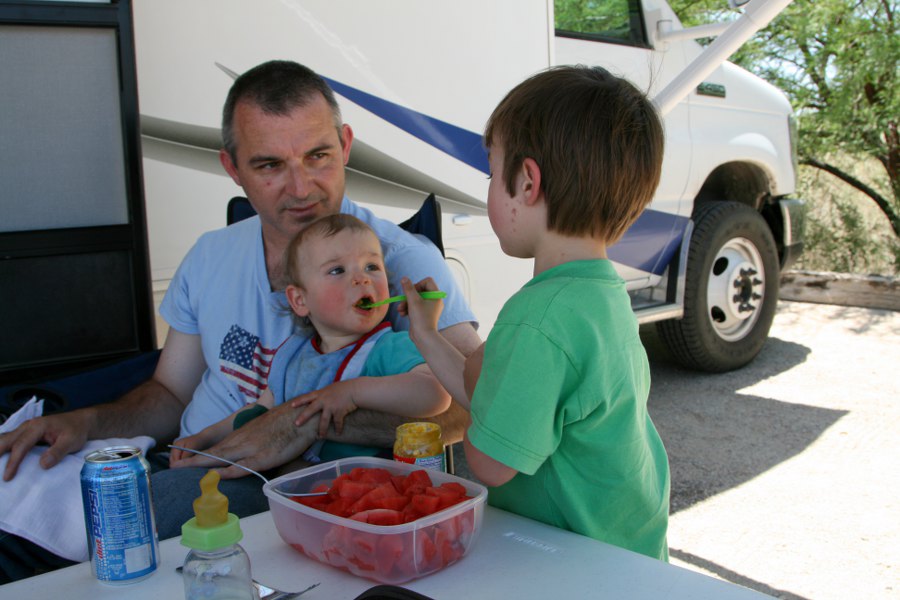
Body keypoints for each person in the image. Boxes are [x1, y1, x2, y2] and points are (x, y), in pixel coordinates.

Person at [0, 60, 479, 581]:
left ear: (345, 145)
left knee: (98, 534)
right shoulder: (211, 255)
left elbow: (474, 406)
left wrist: (289, 427)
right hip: (186, 459)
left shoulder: (399, 262)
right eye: (270, 165)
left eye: (317, 156)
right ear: (232, 168)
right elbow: (169, 393)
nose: (301, 188)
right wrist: (87, 423)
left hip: (279, 488)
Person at [401, 65, 670, 560]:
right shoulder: (601, 295)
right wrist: (427, 334)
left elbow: (491, 460)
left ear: (527, 182)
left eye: (490, 173)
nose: (487, 188)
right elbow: (502, 401)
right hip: (628, 556)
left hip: (573, 567)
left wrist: (489, 364)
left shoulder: (537, 318)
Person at [171, 213, 451, 462]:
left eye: (371, 267)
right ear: (300, 300)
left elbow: (436, 394)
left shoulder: (389, 347)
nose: (362, 279)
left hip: (365, 494)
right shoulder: (293, 354)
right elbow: (259, 409)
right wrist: (204, 438)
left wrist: (352, 392)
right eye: (337, 270)